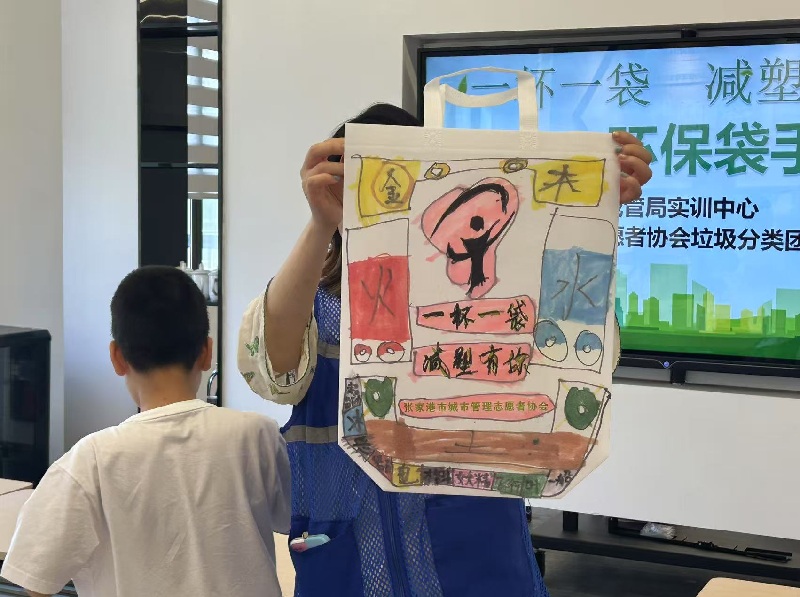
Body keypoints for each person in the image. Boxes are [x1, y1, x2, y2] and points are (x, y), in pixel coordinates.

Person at [238, 103, 652, 596]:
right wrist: (320, 224)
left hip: (477, 564)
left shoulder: (496, 300)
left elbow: (584, 359)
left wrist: (591, 211)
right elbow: (274, 371)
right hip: (350, 564)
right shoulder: (317, 301)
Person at [2, 266, 291, 597]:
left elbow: (35, 581)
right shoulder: (258, 436)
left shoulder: (88, 462)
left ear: (116, 357)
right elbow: (296, 524)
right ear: (207, 352)